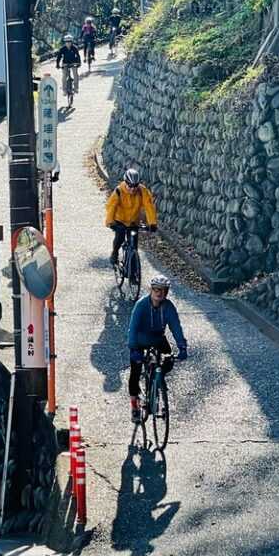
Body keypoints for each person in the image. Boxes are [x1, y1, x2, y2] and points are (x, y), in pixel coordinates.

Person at [127, 275, 188, 423]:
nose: (159, 293)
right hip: (140, 340)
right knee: (135, 372)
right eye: (156, 290)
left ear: (166, 292)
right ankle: (135, 406)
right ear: (151, 290)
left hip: (158, 338)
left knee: (168, 361)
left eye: (163, 290)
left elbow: (175, 327)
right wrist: (134, 348)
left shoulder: (168, 307)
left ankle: (156, 381)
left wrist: (182, 346)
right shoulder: (141, 305)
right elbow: (132, 328)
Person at [105, 167, 157, 268]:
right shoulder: (119, 191)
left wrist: (152, 223)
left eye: (135, 186)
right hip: (119, 220)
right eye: (130, 185)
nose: (133, 188)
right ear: (126, 182)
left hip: (133, 222)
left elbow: (149, 206)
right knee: (119, 237)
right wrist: (110, 222)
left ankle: (133, 274)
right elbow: (111, 207)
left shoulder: (142, 191)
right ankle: (114, 253)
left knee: (134, 245)